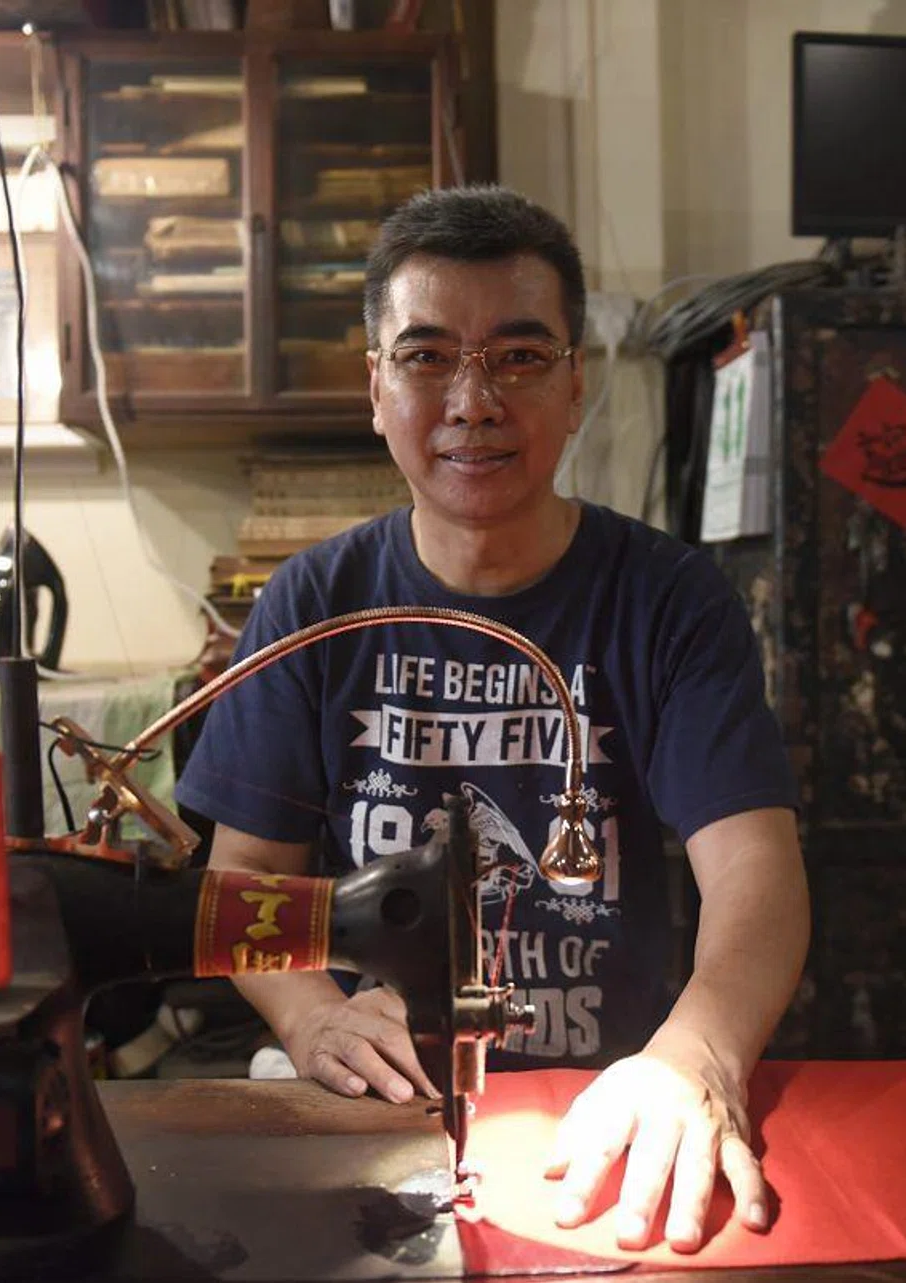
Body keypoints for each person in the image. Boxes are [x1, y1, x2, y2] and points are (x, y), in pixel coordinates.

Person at [174, 184, 809, 1254]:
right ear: (376, 388)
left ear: (575, 385)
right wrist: (315, 1015)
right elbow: (243, 883)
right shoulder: (312, 605)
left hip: (615, 1092)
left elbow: (756, 874)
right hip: (380, 1094)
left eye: (519, 357)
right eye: (426, 357)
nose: (473, 401)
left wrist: (698, 1050)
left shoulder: (671, 601)